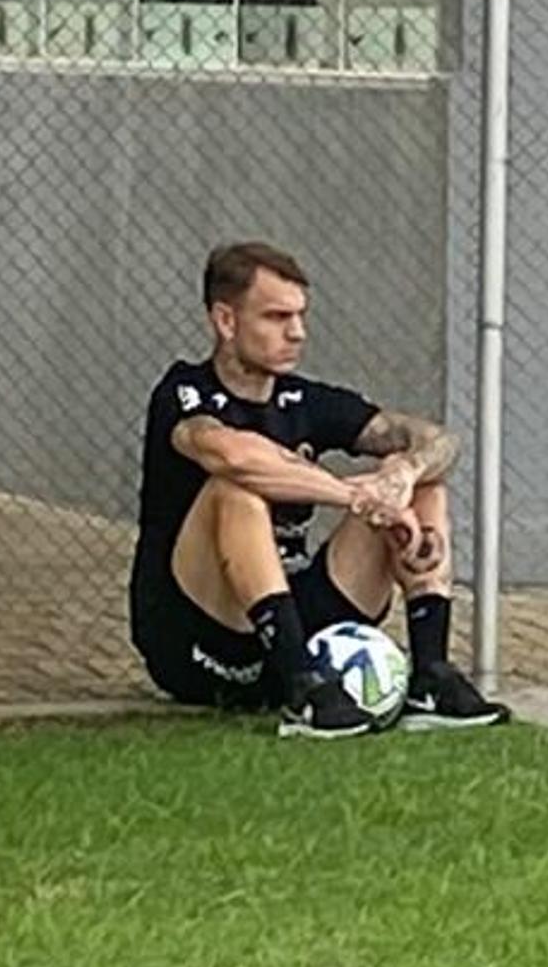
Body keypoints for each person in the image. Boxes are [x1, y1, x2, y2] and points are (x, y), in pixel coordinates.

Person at [126, 240, 510, 737]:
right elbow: (235, 456)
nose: (297, 332)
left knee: (421, 482)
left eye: (301, 316)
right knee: (234, 491)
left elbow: (440, 440)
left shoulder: (305, 399)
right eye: (276, 317)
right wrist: (355, 495)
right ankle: (301, 689)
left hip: (294, 609)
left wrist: (402, 476)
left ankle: (431, 679)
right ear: (226, 321)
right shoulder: (185, 393)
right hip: (202, 640)